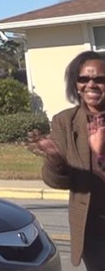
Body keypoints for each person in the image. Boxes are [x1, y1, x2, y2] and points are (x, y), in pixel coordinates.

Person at [29, 50, 105, 271]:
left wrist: (100, 153)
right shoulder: (65, 122)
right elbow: (58, 181)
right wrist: (54, 158)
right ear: (76, 84)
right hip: (93, 233)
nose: (91, 85)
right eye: (84, 79)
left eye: (100, 79)